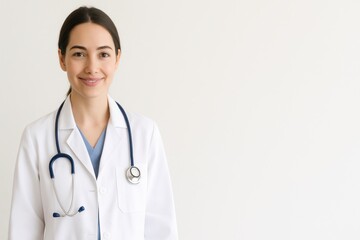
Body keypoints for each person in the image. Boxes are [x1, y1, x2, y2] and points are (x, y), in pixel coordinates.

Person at [8, 6, 178, 240]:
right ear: (62, 58)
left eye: (103, 54)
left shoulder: (144, 134)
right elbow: (23, 230)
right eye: (79, 54)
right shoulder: (37, 138)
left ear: (118, 58)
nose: (92, 67)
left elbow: (162, 229)